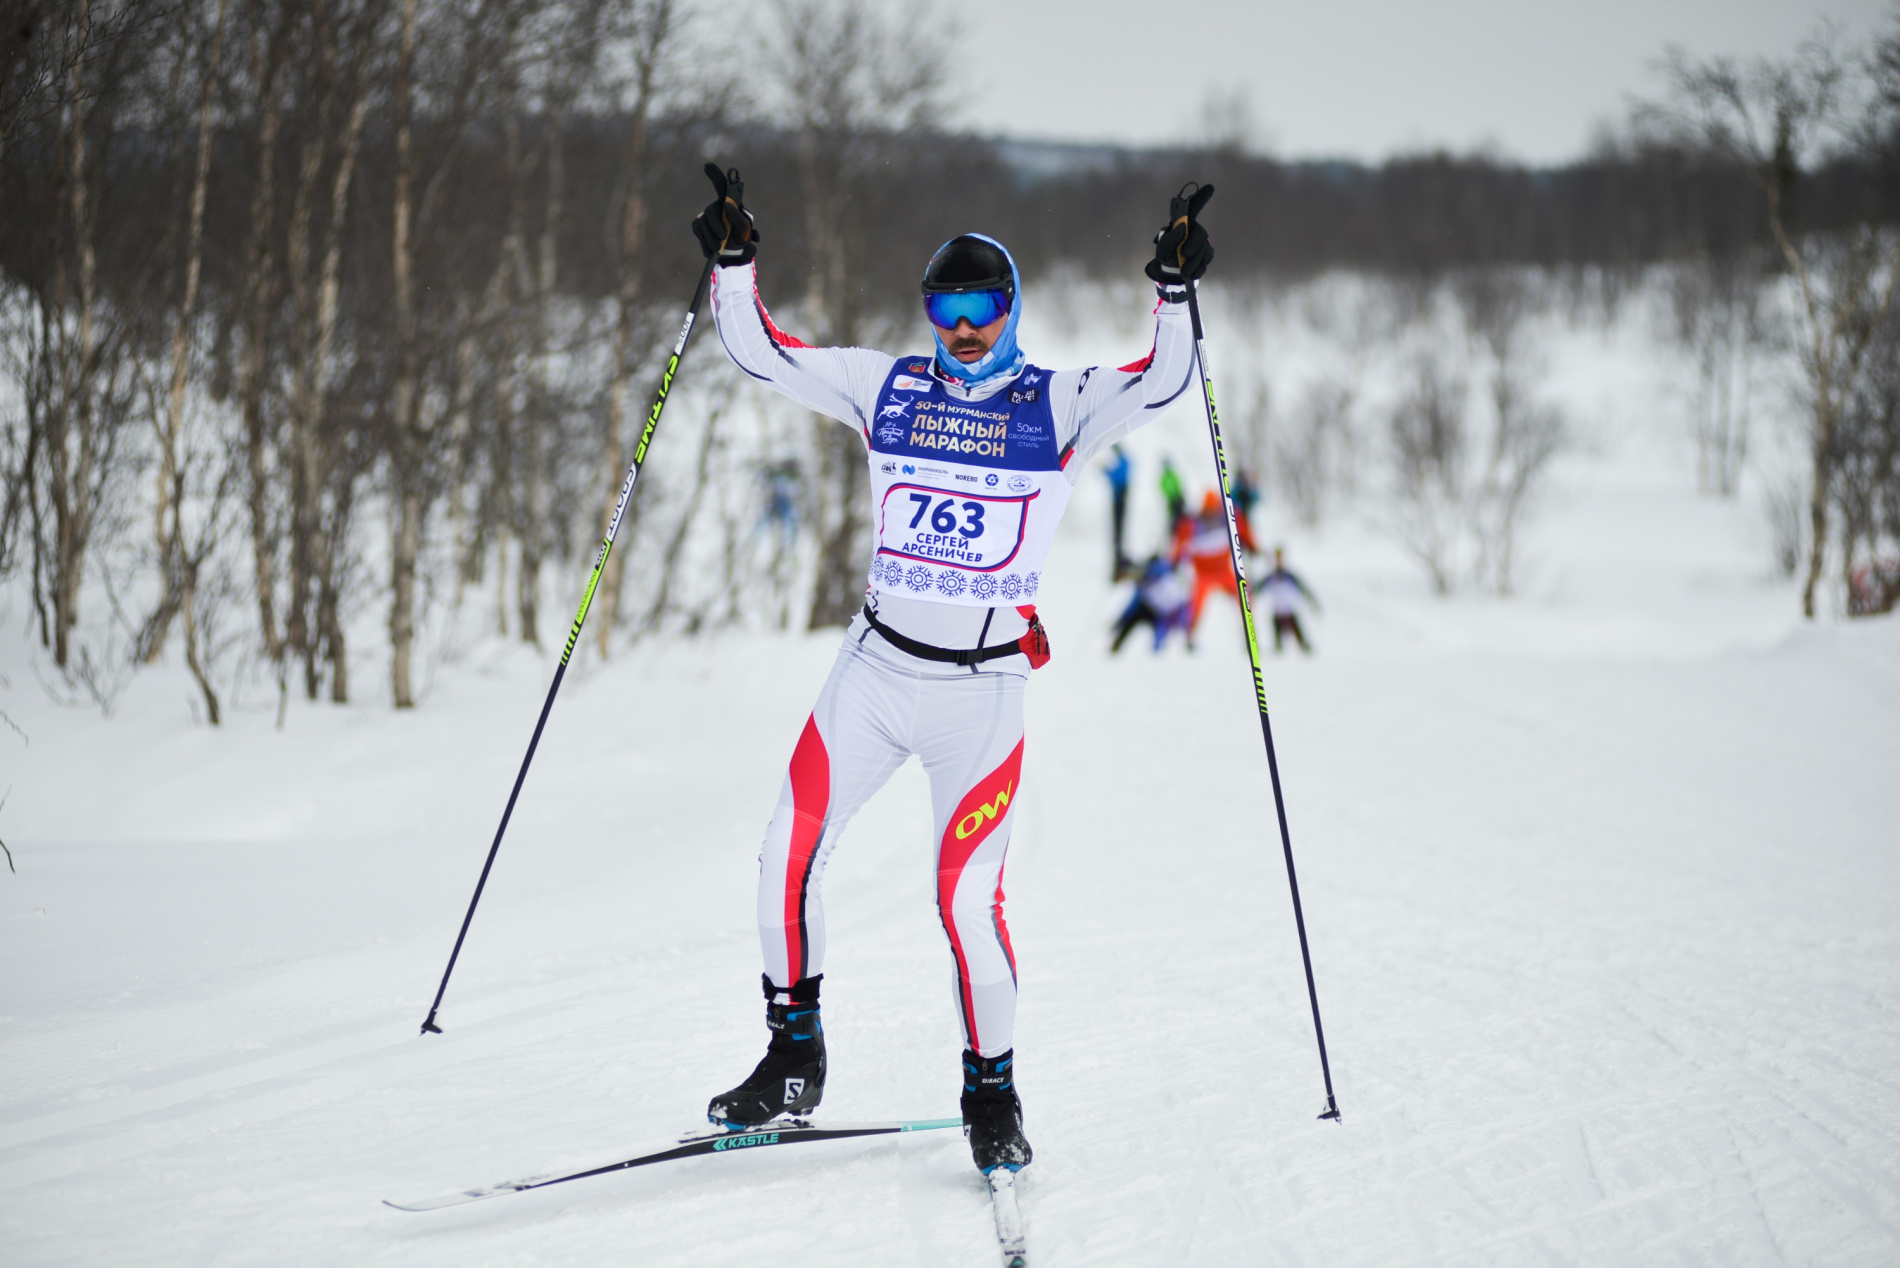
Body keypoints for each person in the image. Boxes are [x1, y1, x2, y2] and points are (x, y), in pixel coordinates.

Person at [691, 169, 1212, 1176]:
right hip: (875, 673)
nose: (962, 328)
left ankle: (991, 1091)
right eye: (945, 310)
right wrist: (733, 264)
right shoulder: (883, 386)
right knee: (779, 863)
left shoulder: (1061, 403)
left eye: (981, 310)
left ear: (1011, 309)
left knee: (967, 904)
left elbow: (1162, 379)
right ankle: (794, 1055)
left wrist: (1174, 291)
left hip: (979, 696)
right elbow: (763, 354)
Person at [1172, 490, 1256, 647]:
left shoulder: (1228, 519)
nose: (1211, 513)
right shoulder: (1193, 524)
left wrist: (1252, 546)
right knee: (1195, 604)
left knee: (1244, 593)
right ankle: (1190, 634)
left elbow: (1244, 530)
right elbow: (1180, 543)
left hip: (1223, 570)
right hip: (1203, 573)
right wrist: (1175, 559)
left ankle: (1249, 629)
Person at [1110, 554, 1190, 653]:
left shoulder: (1163, 575)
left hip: (1163, 612)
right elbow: (1133, 605)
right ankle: (1116, 646)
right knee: (1133, 619)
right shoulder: (1142, 587)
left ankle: (1157, 652)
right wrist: (1120, 621)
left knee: (1161, 631)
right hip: (1151, 608)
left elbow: (1181, 605)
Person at [1261, 547, 1321, 653]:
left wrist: (1313, 604)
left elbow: (1304, 590)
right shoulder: (1270, 577)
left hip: (1290, 612)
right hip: (1277, 614)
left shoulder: (1290, 576)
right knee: (1278, 648)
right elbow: (1256, 590)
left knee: (1303, 644)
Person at [1104, 444, 1133, 580]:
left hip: (1119, 497)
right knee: (1119, 530)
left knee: (1118, 530)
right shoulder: (1125, 461)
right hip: (1120, 497)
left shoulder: (1122, 462)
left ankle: (1119, 562)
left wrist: (1106, 472)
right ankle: (1119, 559)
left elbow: (1116, 478)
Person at [1159, 456, 1186, 533]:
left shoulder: (1172, 475)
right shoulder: (1164, 477)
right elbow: (1164, 489)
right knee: (1174, 519)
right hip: (1171, 501)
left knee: (1180, 518)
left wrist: (1179, 496)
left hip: (1177, 500)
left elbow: (1178, 486)